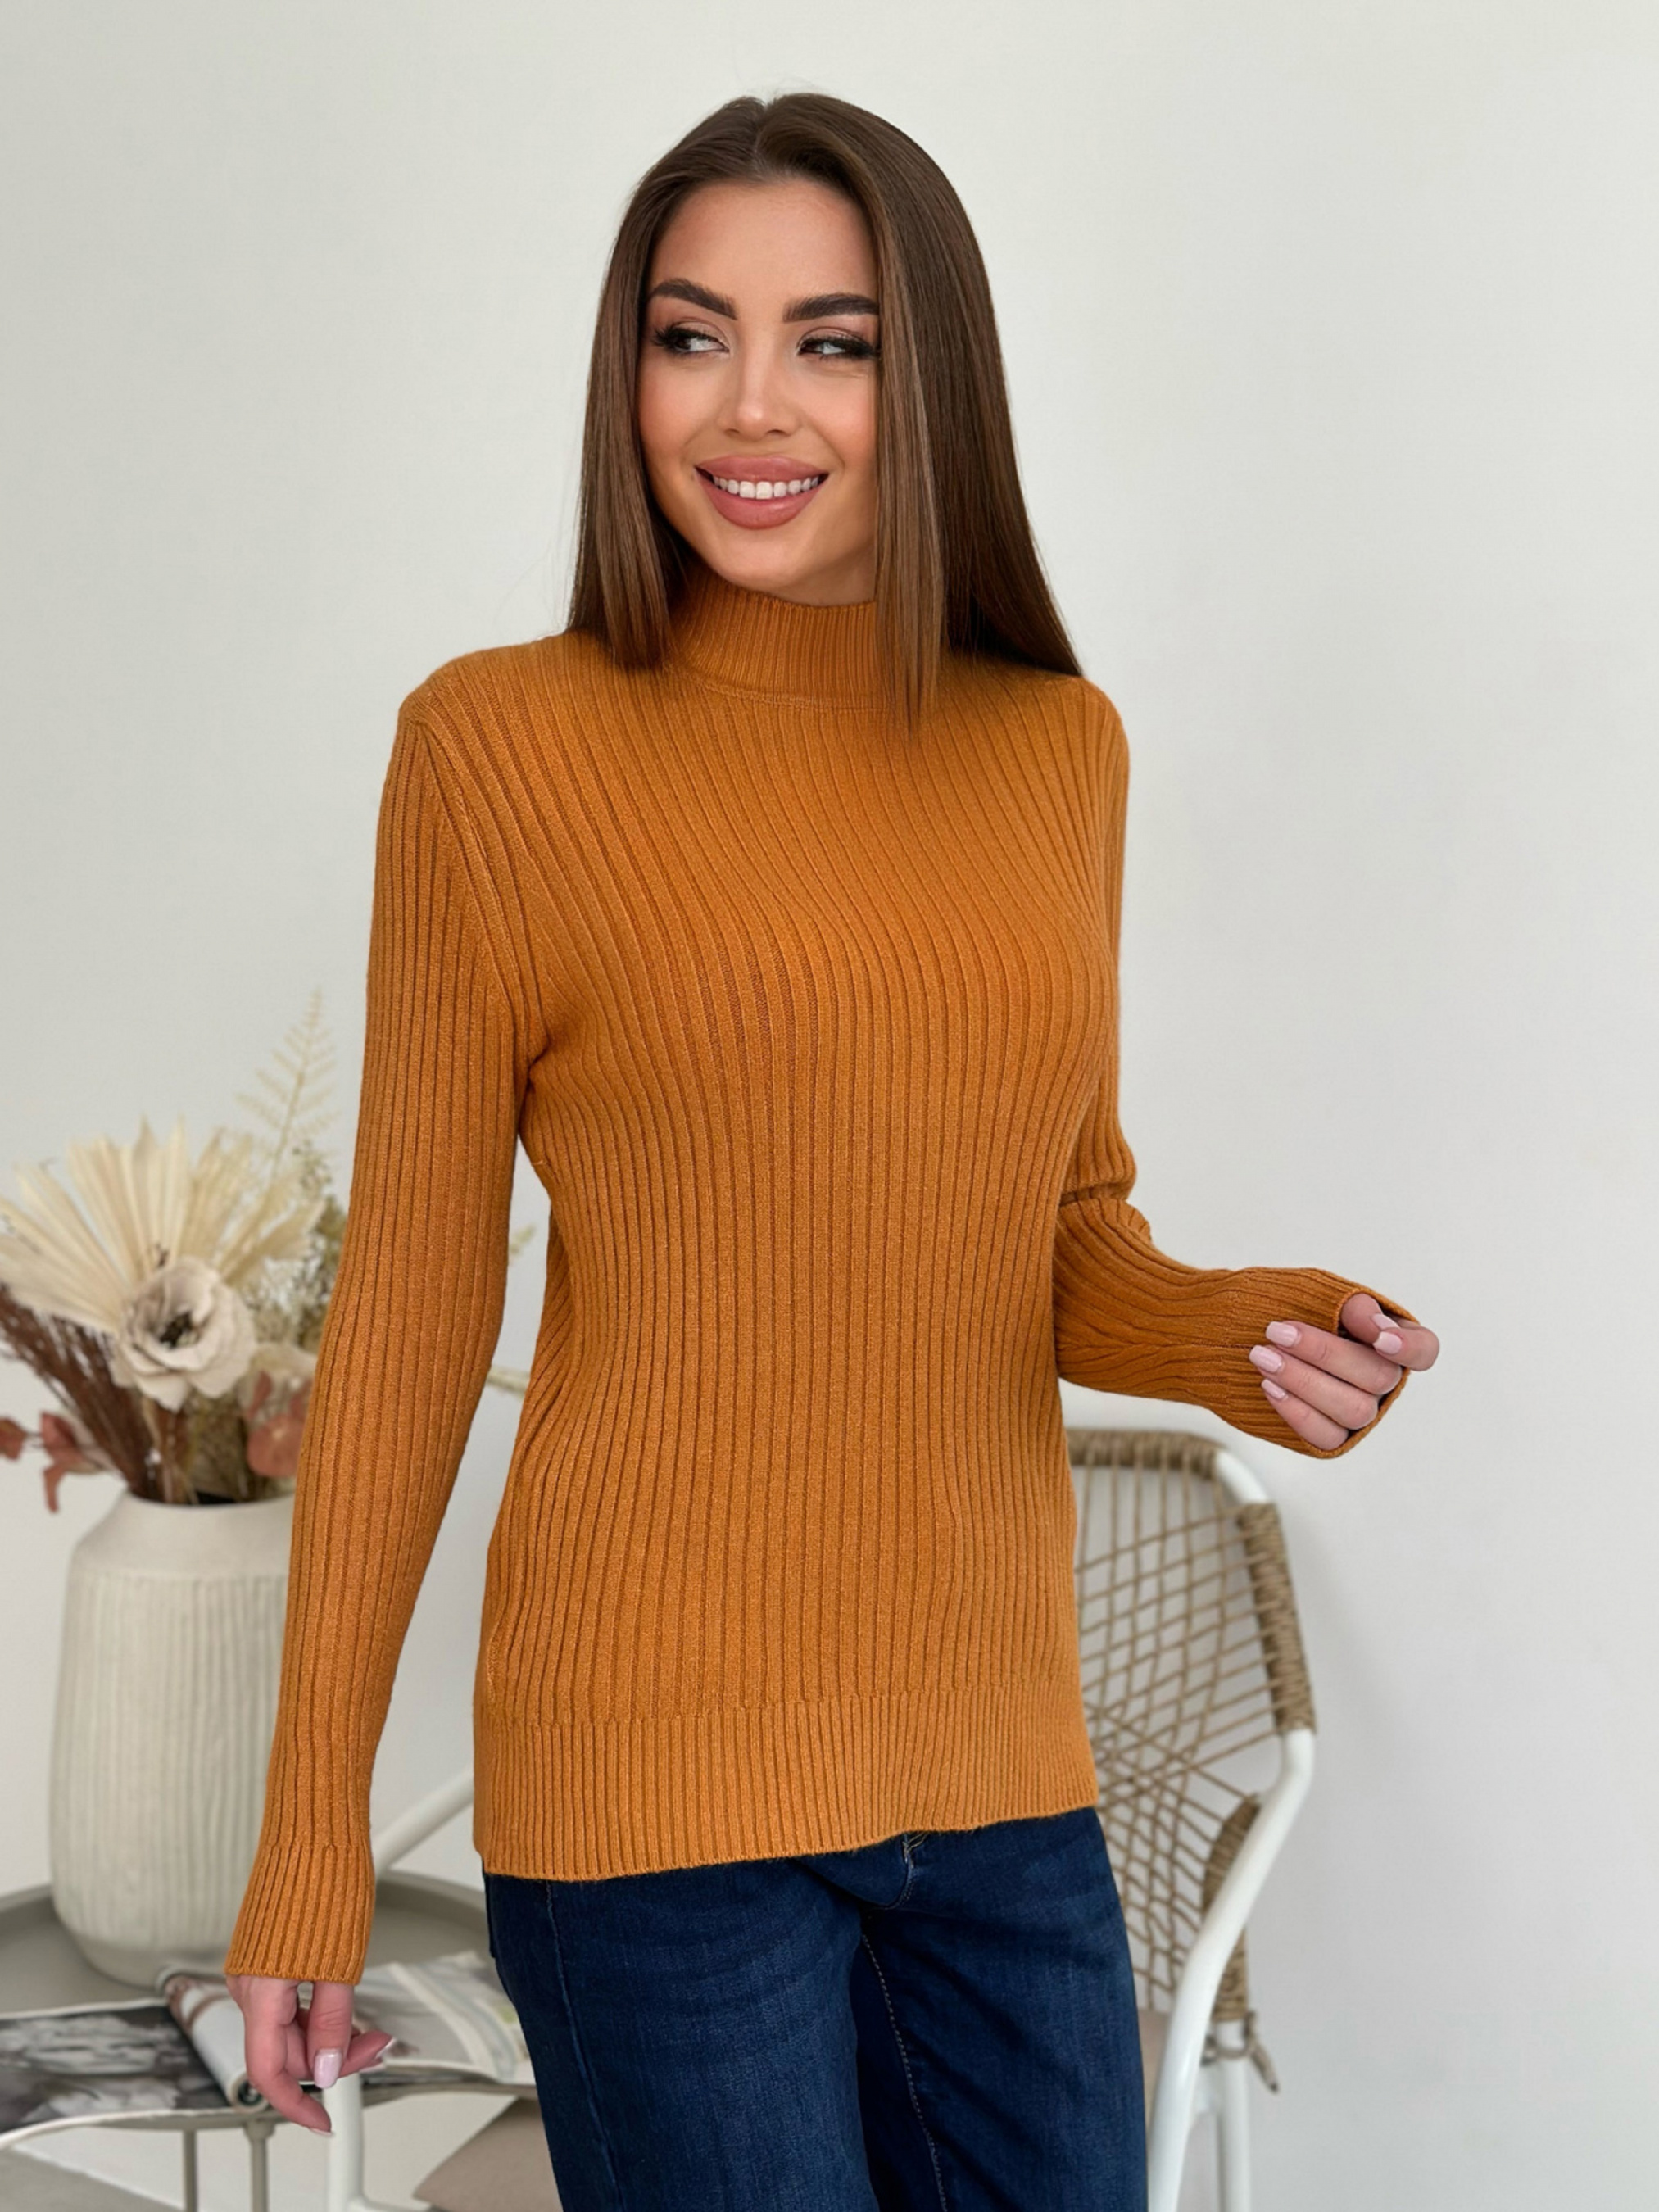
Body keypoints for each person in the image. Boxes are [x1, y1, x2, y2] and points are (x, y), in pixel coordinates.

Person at [224, 90, 1438, 2210]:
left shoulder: (1054, 750)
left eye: (832, 342)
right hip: (649, 1802)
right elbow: (414, 1302)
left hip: (997, 1778)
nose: (750, 407)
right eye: (690, 335)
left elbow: (1054, 1232)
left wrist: (1250, 1336)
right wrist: (310, 1835)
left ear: (928, 376)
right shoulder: (496, 750)